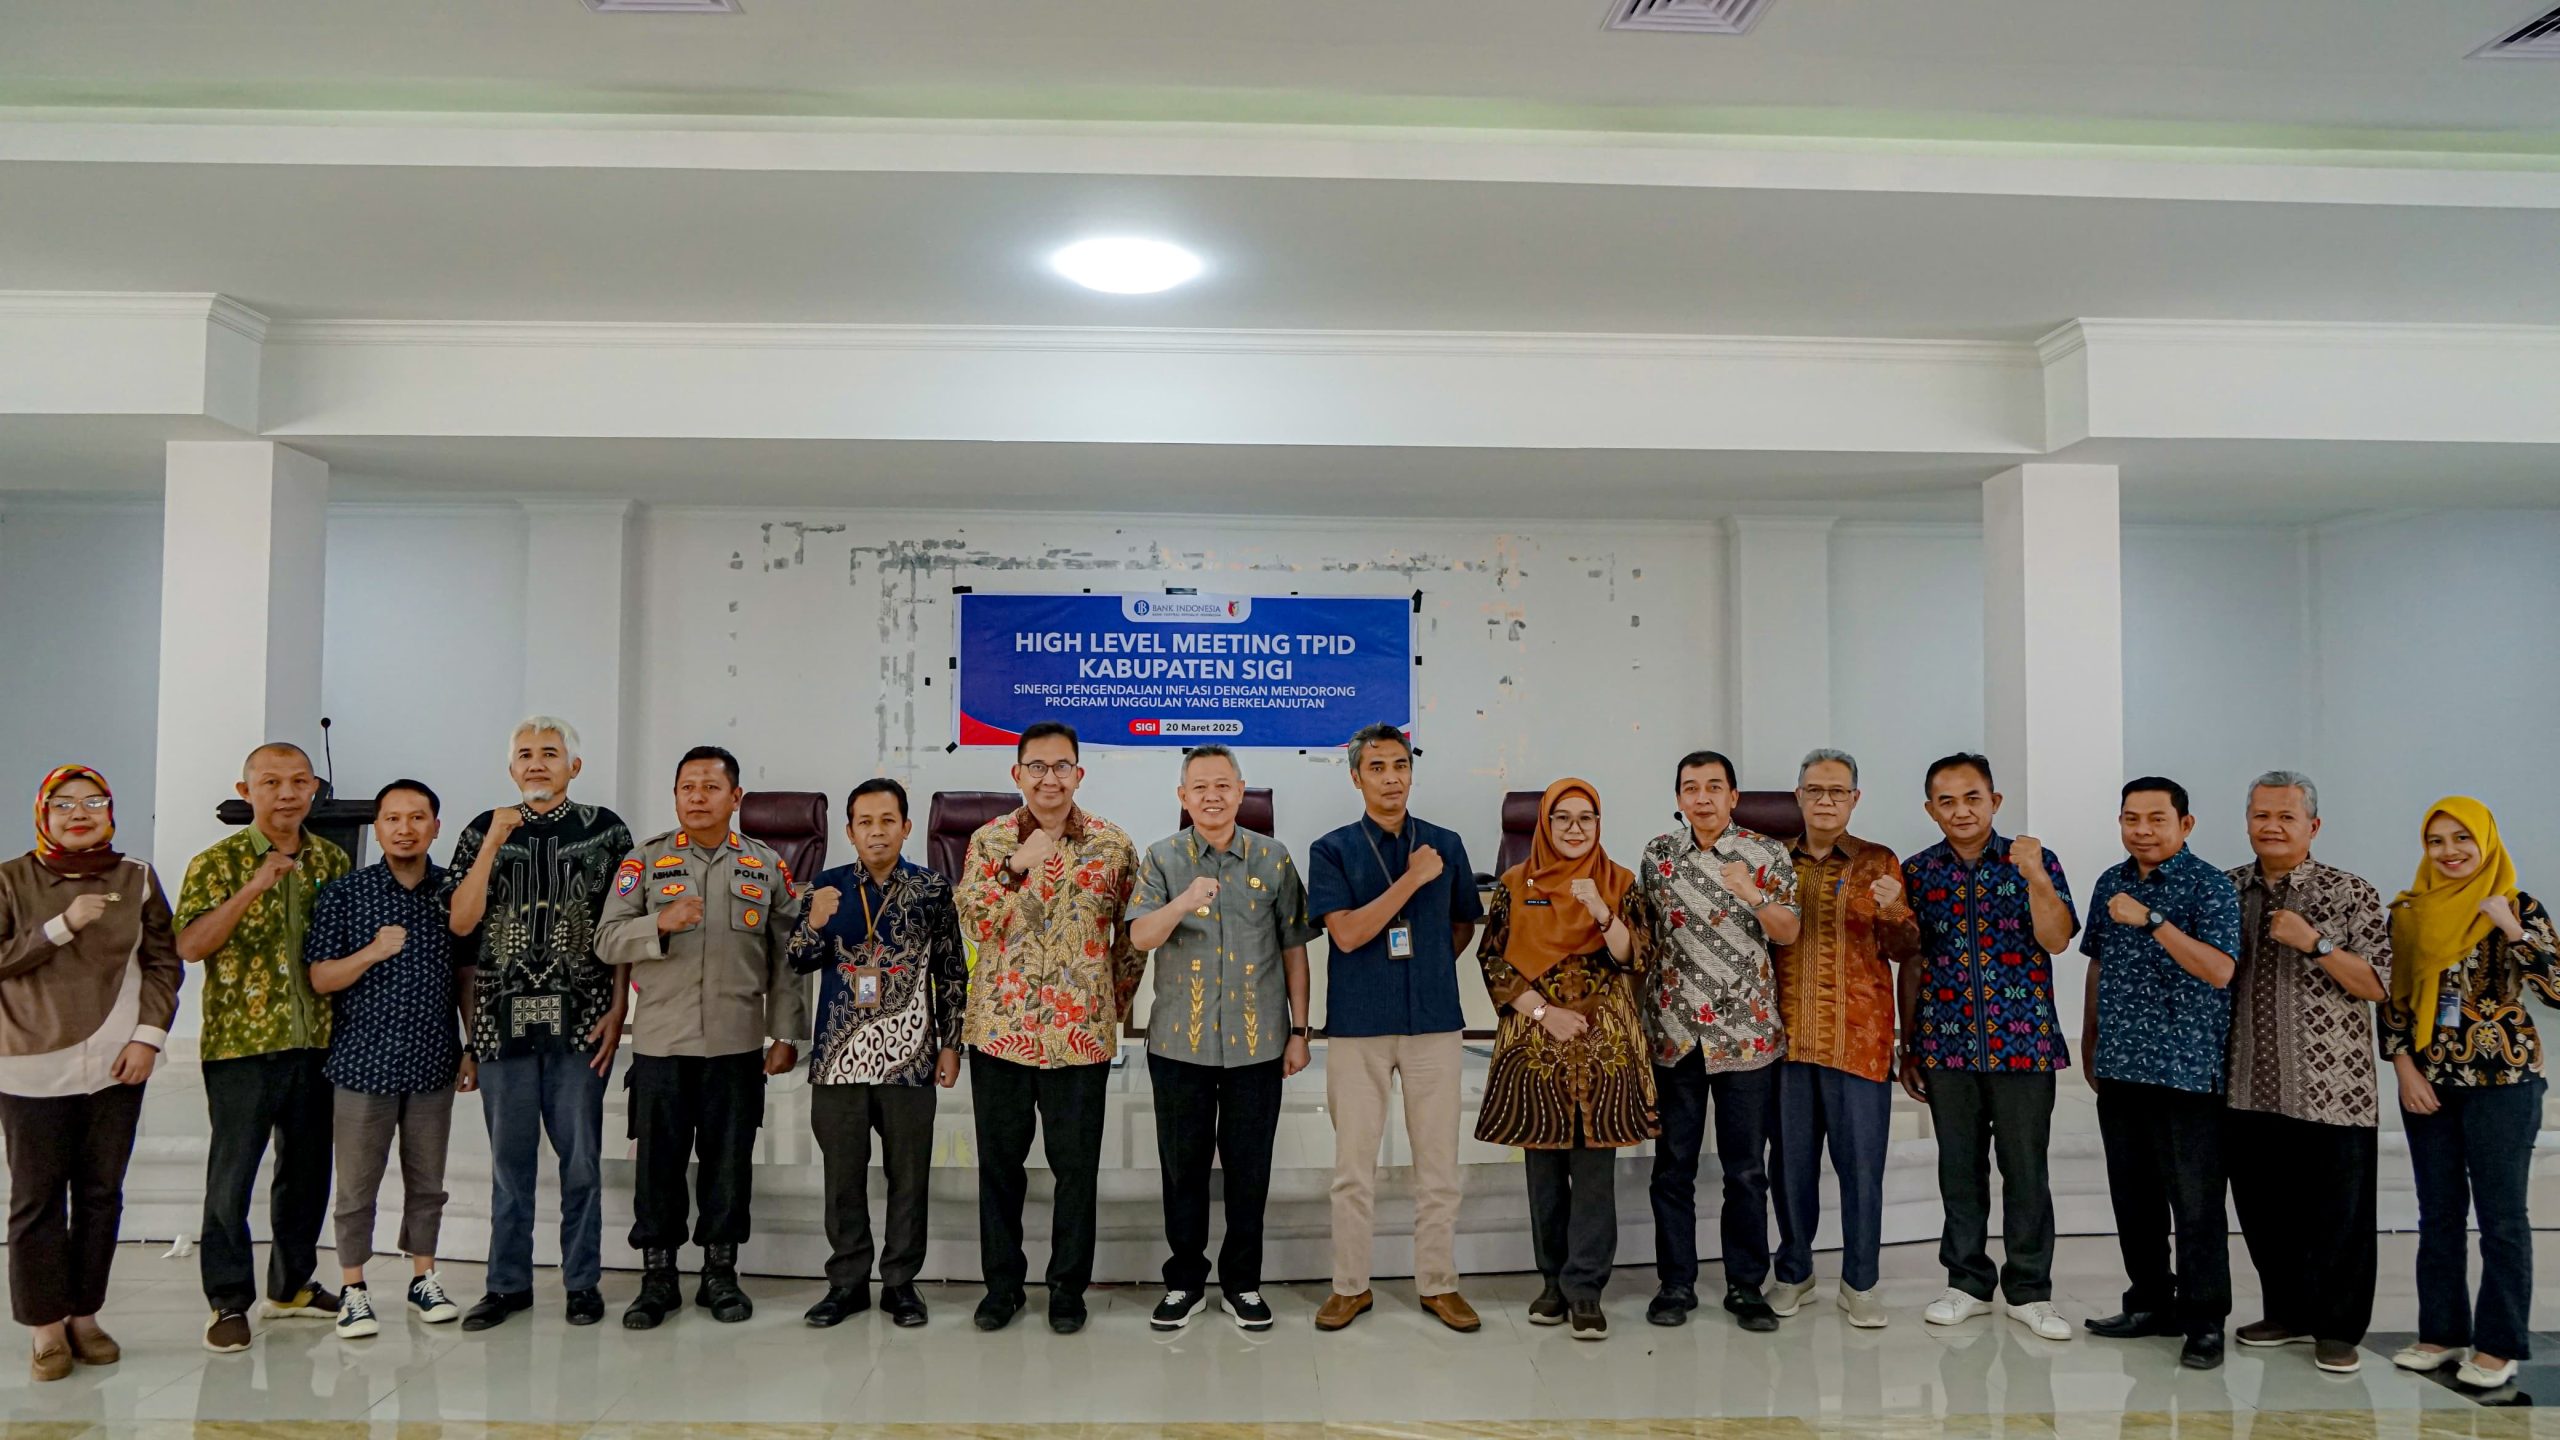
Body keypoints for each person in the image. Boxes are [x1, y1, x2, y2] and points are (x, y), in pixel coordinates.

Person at [594, 745, 807, 1329]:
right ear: (675, 796)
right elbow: (606, 940)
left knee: (728, 1162)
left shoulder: (765, 865)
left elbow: (789, 956)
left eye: (711, 787)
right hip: (662, 1043)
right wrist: (658, 923)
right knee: (658, 1164)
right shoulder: (645, 860)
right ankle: (658, 1277)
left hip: (736, 1044)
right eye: (687, 787)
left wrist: (786, 1032)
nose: (697, 797)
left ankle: (721, 1273)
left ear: (735, 798)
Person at [442, 716, 635, 1330]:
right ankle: (507, 1285)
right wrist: (494, 843)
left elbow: (623, 927)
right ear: (510, 768)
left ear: (573, 767)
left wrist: (619, 1009)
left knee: (581, 1162)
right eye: (524, 754)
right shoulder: (483, 830)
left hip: (583, 1022)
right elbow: (461, 923)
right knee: (510, 1164)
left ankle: (582, 1282)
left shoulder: (606, 831)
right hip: (499, 1024)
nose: (535, 763)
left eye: (549, 753)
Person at [954, 720, 1141, 1335]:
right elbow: (975, 923)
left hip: (1079, 1037)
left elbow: (1131, 941)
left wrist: (1108, 1008)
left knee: (1075, 1171)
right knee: (999, 1169)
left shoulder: (1113, 844)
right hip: (1000, 1031)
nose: (1049, 778)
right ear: (1017, 773)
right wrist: (1014, 867)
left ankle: (1067, 1289)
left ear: (1079, 774)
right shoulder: (989, 841)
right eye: (1037, 766)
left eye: (1062, 766)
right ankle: (1002, 1287)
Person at [1128, 745, 1317, 1333]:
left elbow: (1294, 949)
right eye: (1200, 787)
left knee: (1248, 1170)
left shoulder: (1274, 858)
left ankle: (1242, 1284)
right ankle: (1184, 1282)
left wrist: (1300, 1031)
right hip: (1177, 1046)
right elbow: (1140, 937)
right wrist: (1184, 900)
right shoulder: (1161, 858)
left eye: (1223, 785)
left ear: (1240, 791)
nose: (1212, 796)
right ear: (1182, 797)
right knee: (1182, 1169)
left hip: (1258, 1045)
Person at [0, 766, 180, 1381]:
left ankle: (85, 1315)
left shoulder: (136, 877)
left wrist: (148, 1039)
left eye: (94, 802)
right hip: (29, 1066)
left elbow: (164, 962)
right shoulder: (11, 879)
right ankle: (45, 1329)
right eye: (64, 804)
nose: (79, 813)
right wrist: (61, 926)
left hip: (116, 1063)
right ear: (42, 814)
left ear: (110, 812)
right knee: (37, 1200)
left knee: (101, 1195)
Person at [1306, 723, 1485, 1334]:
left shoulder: (1446, 843)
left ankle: (1438, 1283)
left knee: (1438, 1165)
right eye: (1377, 768)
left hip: (1433, 1022)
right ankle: (1349, 1287)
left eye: (1400, 766)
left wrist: (1426, 967)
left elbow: (1462, 925)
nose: (1391, 778)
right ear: (1356, 778)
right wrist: (1412, 879)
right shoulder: (1332, 849)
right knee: (1354, 1168)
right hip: (1359, 1024)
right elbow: (1347, 934)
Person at [176, 742, 353, 1353]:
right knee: (232, 1179)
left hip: (318, 1041)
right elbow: (191, 946)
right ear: (245, 791)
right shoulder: (216, 862)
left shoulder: (332, 860)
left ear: (314, 790)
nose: (286, 794)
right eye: (271, 782)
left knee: (306, 1172)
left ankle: (292, 1284)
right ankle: (227, 1301)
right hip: (240, 1047)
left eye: (299, 781)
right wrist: (254, 886)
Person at [2380, 796, 2558, 1391]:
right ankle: (2441, 1333)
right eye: (2436, 840)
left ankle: (2500, 1345)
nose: (2450, 851)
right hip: (2430, 1083)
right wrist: (2404, 1070)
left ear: (2486, 841)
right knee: (2439, 1213)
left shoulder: (2518, 904)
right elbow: (2394, 1000)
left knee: (2502, 1218)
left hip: (2505, 1083)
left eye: (2462, 838)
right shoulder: (2409, 912)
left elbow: (2557, 991)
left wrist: (2512, 929)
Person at [1899, 752, 2078, 1342]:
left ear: (1994, 801)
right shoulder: (1918, 872)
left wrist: (2037, 878)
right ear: (1931, 809)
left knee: (2026, 1170)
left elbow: (2056, 939)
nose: (1961, 811)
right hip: (1946, 1043)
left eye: (1972, 798)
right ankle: (1967, 1283)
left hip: (2023, 1043)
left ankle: (2030, 1290)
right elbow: (1913, 960)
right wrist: (1909, 1044)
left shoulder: (2033, 860)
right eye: (1947, 801)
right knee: (1960, 1170)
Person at [1474, 777, 1657, 1341]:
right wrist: (1542, 1012)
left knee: (1596, 1176)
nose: (1575, 829)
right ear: (1545, 825)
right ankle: (1552, 1282)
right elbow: (1494, 960)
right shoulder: (1514, 884)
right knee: (1545, 1174)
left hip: (1604, 1049)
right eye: (1563, 818)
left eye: (1586, 818)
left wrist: (1601, 911)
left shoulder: (1620, 882)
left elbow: (1638, 956)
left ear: (1599, 824)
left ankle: (1586, 1290)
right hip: (1537, 1048)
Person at [2222, 771, 2391, 1376]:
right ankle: (2287, 1312)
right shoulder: (2226, 890)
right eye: (2261, 815)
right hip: (2246, 1082)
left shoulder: (2350, 892)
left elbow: (2379, 985)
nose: (2271, 826)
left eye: (2286, 816)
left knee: (2339, 1215)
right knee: (2263, 1210)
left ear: (2312, 826)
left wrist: (2316, 943)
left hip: (2333, 1089)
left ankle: (2338, 1329)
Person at [786, 777, 965, 1330]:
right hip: (837, 1059)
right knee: (843, 1177)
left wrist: (952, 1044)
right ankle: (846, 1283)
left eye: (888, 821)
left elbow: (951, 971)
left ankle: (901, 1284)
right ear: (849, 831)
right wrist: (814, 921)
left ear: (906, 827)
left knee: (908, 1176)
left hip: (910, 1058)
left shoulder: (932, 889)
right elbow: (797, 960)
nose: (877, 832)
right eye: (865, 822)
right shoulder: (828, 886)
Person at [2079, 776, 2242, 1371]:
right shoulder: (2110, 881)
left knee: (2195, 1204)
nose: (2142, 830)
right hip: (2121, 1064)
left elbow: (2220, 970)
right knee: (2134, 1197)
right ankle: (2149, 1302)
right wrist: (2090, 1035)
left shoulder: (2210, 886)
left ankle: (2204, 1320)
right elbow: (2098, 963)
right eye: (2131, 819)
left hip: (2186, 1070)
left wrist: (2153, 920)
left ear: (2185, 824)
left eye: (2156, 819)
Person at [303, 780, 473, 1341]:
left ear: (435, 827)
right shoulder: (346, 893)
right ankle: (353, 1288)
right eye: (393, 818)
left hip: (432, 1060)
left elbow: (466, 976)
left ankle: (424, 1277)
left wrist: (471, 1045)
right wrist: (373, 951)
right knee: (357, 1187)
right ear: (377, 828)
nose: (405, 829)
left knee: (428, 1182)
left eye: (417, 818)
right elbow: (321, 977)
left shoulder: (452, 893)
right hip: (362, 1062)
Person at [1637, 749, 1798, 1332]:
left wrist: (1753, 894)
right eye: (1690, 787)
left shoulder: (1766, 853)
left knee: (1745, 1171)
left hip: (1746, 1036)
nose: (1701, 797)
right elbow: (1645, 938)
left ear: (1733, 796)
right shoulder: (1658, 855)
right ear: (1678, 798)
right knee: (1672, 1167)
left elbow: (1788, 932)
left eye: (1713, 786)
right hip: (1675, 1033)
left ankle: (1745, 1286)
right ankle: (1675, 1284)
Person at [1766, 749, 1918, 1329]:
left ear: (1855, 799)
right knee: (1790, 1169)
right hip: (1787, 1042)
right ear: (1798, 797)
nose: (1825, 800)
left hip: (1860, 1041)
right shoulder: (1773, 861)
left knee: (1861, 1170)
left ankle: (1861, 1283)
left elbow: (1907, 950)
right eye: (1814, 789)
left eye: (1837, 791)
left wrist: (1895, 908)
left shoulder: (1879, 861)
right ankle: (1794, 1273)